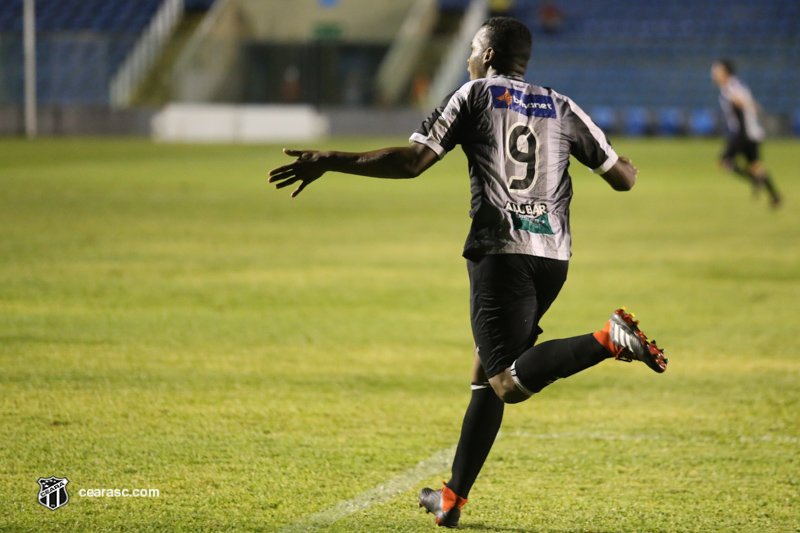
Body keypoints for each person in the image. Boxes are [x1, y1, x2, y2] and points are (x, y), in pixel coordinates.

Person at [269, 17, 667, 528]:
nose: (468, 59)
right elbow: (622, 179)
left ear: (490, 54)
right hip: (553, 256)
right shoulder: (562, 105)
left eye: (474, 49)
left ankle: (608, 340)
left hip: (500, 252)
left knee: (506, 381)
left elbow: (414, 161)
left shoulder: (474, 94)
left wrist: (331, 160)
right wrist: (624, 166)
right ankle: (452, 498)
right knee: (486, 370)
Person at [711, 59, 782, 208]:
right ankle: (775, 196)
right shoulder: (735, 86)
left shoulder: (731, 87)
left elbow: (743, 104)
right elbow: (754, 105)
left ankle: (754, 180)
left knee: (724, 161)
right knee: (756, 166)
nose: (714, 74)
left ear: (725, 72)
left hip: (743, 133)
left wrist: (744, 109)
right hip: (753, 132)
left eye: (717, 71)